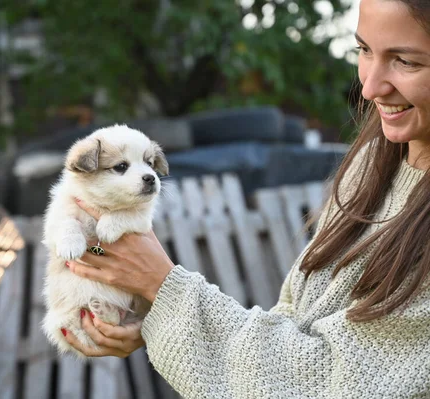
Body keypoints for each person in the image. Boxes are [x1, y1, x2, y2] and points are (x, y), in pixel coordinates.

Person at [63, 0, 430, 397]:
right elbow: (294, 320)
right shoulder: (372, 163)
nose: (370, 86)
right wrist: (162, 313)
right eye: (364, 50)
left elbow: (331, 384)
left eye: (406, 62)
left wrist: (163, 285)